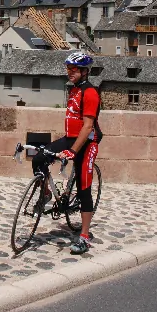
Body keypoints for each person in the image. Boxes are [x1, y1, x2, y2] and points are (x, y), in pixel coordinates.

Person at [32, 50, 101, 255]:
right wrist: (67, 145)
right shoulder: (74, 90)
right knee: (39, 158)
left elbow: (88, 127)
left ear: (84, 71)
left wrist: (72, 151)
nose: (69, 72)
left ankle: (84, 237)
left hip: (86, 143)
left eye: (73, 69)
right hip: (70, 138)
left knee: (84, 187)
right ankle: (45, 194)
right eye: (68, 68)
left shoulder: (90, 92)